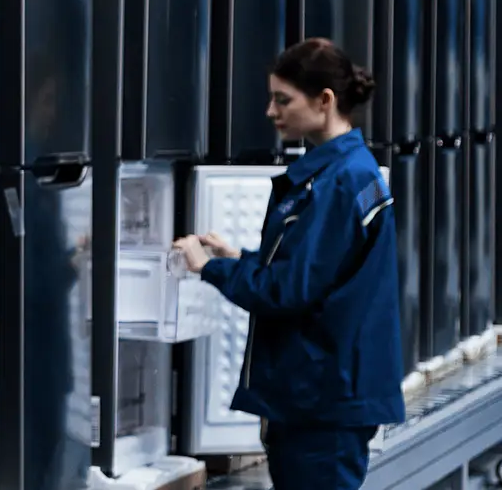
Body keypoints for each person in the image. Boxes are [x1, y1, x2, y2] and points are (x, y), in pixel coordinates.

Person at [174, 37, 405, 490]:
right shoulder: (344, 173)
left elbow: (287, 290)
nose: (270, 111)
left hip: (322, 399)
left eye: (283, 100)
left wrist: (208, 267)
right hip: (322, 394)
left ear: (325, 101)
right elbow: (318, 270)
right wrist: (239, 257)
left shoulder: (339, 183)